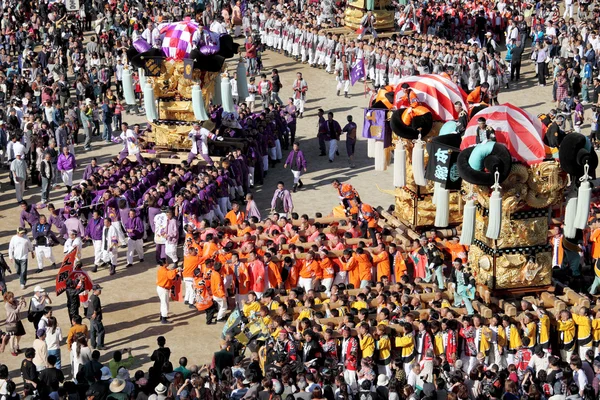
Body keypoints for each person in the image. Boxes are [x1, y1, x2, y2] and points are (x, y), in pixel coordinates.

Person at [4, 291, 27, 356]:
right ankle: (12, 349)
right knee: (12, 336)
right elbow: (15, 311)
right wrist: (20, 305)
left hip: (17, 320)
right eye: (11, 297)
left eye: (13, 297)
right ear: (7, 298)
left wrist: (23, 301)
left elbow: (24, 306)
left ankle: (17, 346)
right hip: (11, 322)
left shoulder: (14, 301)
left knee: (19, 335)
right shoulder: (7, 305)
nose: (12, 298)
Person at [87, 284, 105, 350]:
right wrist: (95, 313)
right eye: (99, 290)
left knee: (93, 331)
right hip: (95, 318)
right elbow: (95, 308)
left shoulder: (91, 297)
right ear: (94, 290)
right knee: (101, 331)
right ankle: (100, 345)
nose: (100, 291)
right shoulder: (96, 298)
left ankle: (93, 344)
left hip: (91, 317)